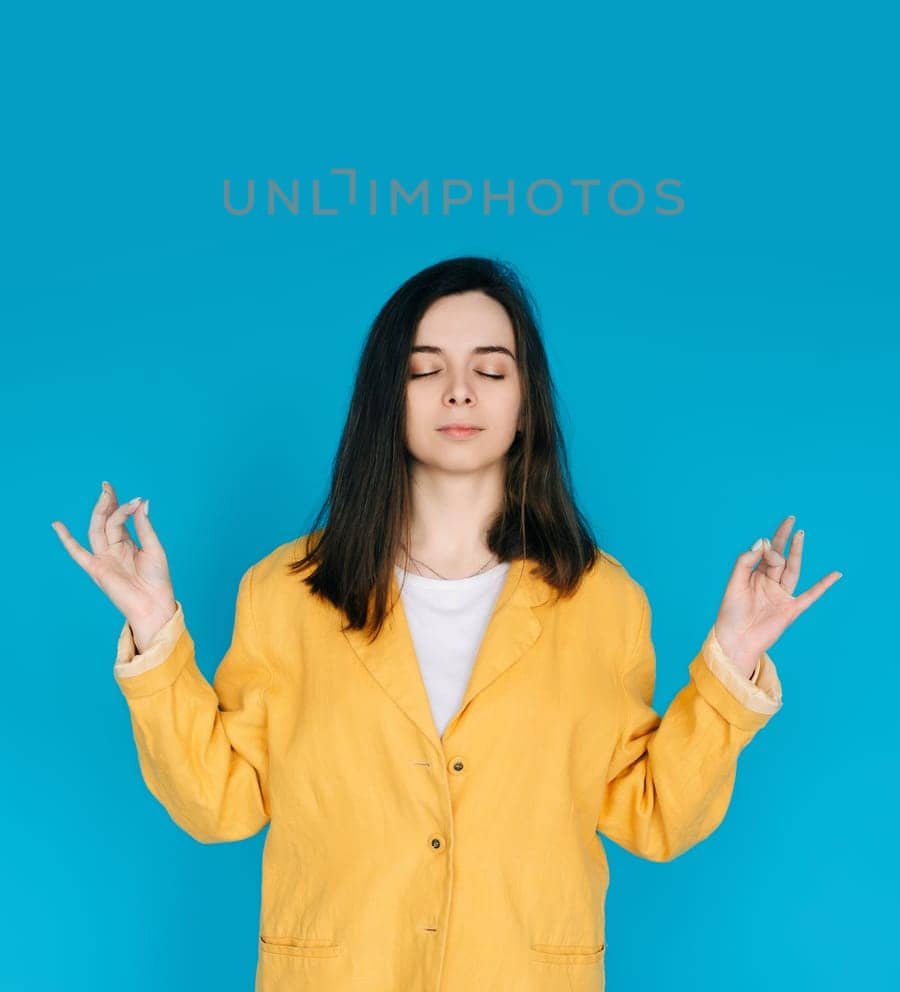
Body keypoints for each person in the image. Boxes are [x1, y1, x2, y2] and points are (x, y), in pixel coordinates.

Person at [51, 255, 841, 990]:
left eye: (490, 370)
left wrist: (733, 661)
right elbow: (220, 804)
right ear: (383, 400)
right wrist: (154, 628)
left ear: (526, 402)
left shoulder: (603, 599)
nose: (458, 393)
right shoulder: (285, 591)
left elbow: (654, 814)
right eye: (425, 370)